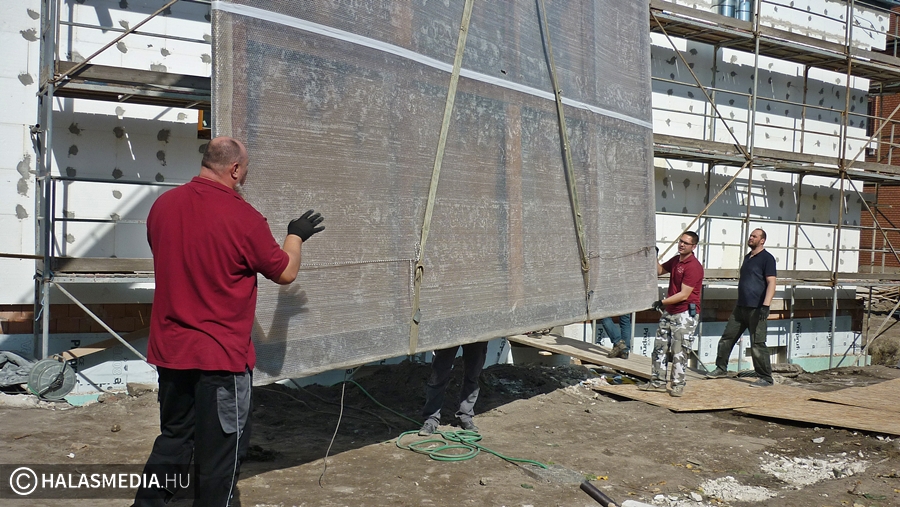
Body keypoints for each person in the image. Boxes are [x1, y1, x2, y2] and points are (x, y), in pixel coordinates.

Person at [134, 136, 325, 506]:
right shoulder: (243, 217)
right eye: (246, 170)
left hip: (171, 352)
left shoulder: (162, 206)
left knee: (174, 440)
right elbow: (284, 272)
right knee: (221, 454)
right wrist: (295, 235)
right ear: (234, 169)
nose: (245, 176)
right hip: (220, 360)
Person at [705, 228, 777, 387]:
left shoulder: (767, 258)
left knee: (757, 343)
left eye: (754, 236)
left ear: (762, 240)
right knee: (727, 338)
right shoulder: (748, 257)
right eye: (750, 235)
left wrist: (766, 305)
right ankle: (721, 368)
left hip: (757, 309)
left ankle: (765, 378)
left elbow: (772, 282)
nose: (751, 238)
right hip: (741, 307)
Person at [639, 232, 703, 397]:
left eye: (686, 243)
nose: (682, 245)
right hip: (670, 311)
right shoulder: (676, 260)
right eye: (681, 241)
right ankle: (658, 382)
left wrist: (662, 302)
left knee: (679, 350)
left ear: (693, 247)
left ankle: (677, 384)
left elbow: (684, 294)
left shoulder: (693, 266)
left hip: (685, 314)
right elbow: (660, 270)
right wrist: (654, 255)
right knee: (660, 347)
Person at [418, 341, 489, 436]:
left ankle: (465, 416)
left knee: (473, 375)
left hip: (477, 331)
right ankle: (431, 419)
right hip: (449, 330)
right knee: (439, 375)